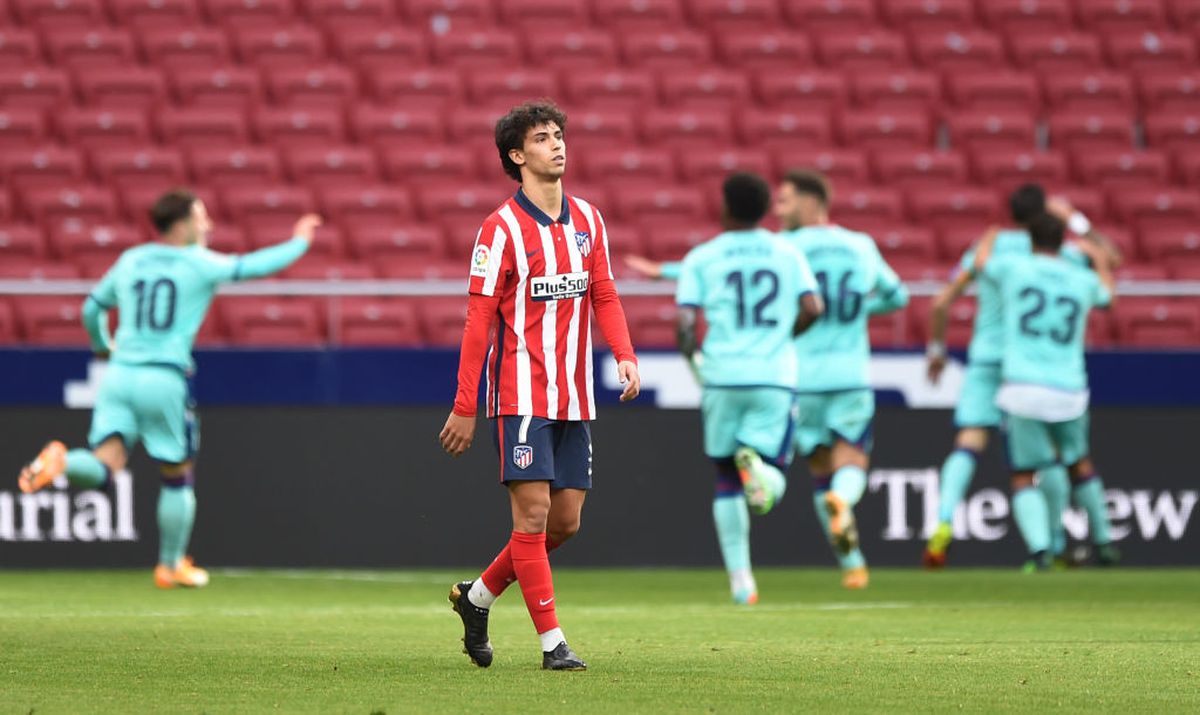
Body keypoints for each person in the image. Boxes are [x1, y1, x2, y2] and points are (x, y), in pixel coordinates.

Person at [17, 189, 321, 588]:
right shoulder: (197, 262)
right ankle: (170, 564)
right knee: (177, 473)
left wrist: (100, 346)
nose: (207, 224)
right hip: (162, 377)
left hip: (118, 375)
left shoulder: (132, 259)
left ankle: (63, 462)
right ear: (181, 224)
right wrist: (300, 240)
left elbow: (91, 309)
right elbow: (257, 265)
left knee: (104, 465)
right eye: (201, 216)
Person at [438, 101, 641, 671]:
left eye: (559, 135)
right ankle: (554, 645)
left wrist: (624, 354)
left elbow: (604, 293)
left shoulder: (589, 221)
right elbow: (478, 319)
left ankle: (476, 598)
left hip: (575, 395)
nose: (557, 144)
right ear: (516, 155)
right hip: (521, 395)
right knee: (529, 519)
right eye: (542, 138)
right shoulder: (499, 229)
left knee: (564, 523)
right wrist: (465, 404)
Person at [924, 186, 1121, 568]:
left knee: (968, 443)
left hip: (991, 360)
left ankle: (943, 520)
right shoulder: (1067, 254)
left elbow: (942, 300)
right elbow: (1111, 260)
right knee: (1051, 458)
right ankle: (1058, 542)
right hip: (1045, 366)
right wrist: (1077, 221)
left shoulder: (994, 250)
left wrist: (936, 350)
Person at [674, 172, 823, 605]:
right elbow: (813, 306)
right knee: (772, 465)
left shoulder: (702, 257)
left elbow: (684, 325)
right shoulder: (787, 251)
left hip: (722, 375)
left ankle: (742, 582)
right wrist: (784, 336)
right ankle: (758, 470)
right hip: (773, 374)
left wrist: (694, 361)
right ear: (764, 209)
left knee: (724, 478)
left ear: (726, 206)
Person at [775, 170, 909, 590]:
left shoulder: (786, 246)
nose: (779, 210)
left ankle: (853, 565)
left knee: (819, 469)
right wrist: (857, 314)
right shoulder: (861, 245)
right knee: (851, 462)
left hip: (804, 379)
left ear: (813, 201)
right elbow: (898, 295)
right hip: (850, 376)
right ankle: (845, 502)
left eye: (787, 201)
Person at [973, 213, 1116, 571]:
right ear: (1061, 240)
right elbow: (1108, 298)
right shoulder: (1081, 278)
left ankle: (1041, 551)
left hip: (1023, 386)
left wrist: (989, 236)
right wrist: (1098, 260)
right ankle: (1104, 541)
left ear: (1029, 239)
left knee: (1024, 472)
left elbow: (980, 264)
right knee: (1078, 462)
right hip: (1069, 388)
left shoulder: (1015, 269)